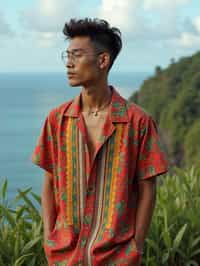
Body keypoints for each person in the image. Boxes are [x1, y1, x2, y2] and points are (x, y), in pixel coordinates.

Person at [31, 18, 168, 266]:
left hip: (116, 258)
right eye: (67, 55)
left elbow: (148, 189)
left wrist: (135, 247)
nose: (69, 63)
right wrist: (48, 240)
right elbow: (49, 184)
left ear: (103, 61)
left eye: (77, 55)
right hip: (64, 257)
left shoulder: (138, 122)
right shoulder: (57, 120)